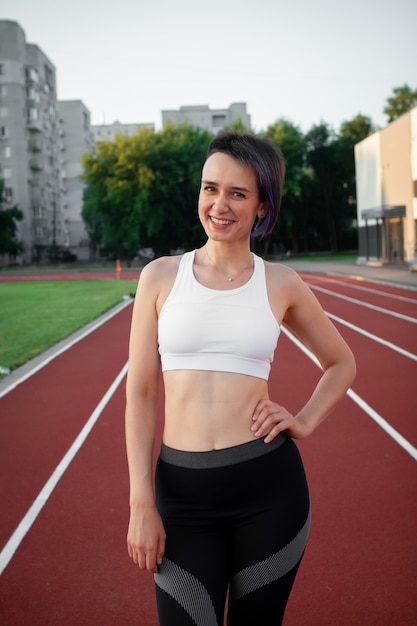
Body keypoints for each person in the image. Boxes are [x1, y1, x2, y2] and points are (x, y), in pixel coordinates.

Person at [125, 132, 356, 625]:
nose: (219, 205)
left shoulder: (281, 283)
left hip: (269, 492)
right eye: (211, 188)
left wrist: (306, 420)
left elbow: (342, 363)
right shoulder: (160, 277)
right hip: (181, 496)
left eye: (237, 193)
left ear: (262, 205)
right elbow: (141, 393)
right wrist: (140, 501)